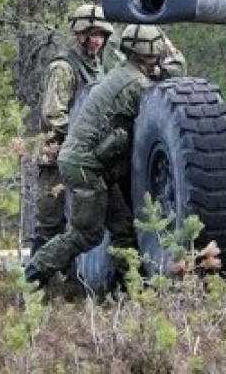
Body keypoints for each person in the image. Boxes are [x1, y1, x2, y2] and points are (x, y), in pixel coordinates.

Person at [24, 24, 172, 288]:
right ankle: (31, 276)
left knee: (123, 228)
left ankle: (135, 289)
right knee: (85, 235)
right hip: (85, 165)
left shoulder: (125, 73)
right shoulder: (135, 83)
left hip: (92, 164)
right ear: (144, 55)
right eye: (154, 55)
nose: (157, 59)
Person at [31, 4, 116, 255]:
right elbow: (53, 113)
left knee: (82, 222)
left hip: (84, 158)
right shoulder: (63, 67)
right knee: (50, 222)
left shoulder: (99, 66)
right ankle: (37, 285)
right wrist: (81, 138)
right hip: (56, 154)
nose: (97, 41)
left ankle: (69, 283)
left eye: (101, 35)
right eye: (92, 35)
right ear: (80, 35)